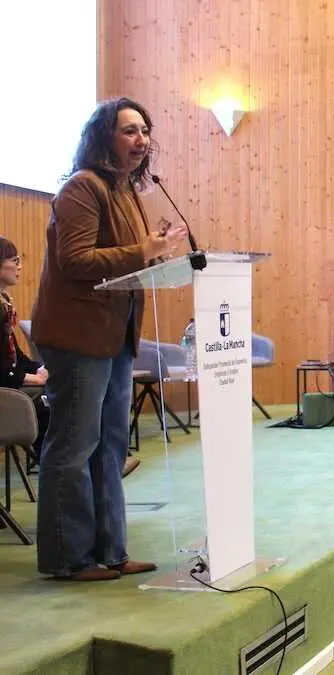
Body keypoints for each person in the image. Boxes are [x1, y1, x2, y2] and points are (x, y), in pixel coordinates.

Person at [31, 97, 188, 581]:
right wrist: (143, 249)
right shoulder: (82, 188)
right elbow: (76, 260)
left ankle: (111, 552)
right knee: (74, 447)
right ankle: (68, 558)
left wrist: (154, 254)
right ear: (104, 137)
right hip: (78, 337)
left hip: (115, 337)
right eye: (129, 131)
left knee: (110, 448)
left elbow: (123, 258)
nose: (141, 140)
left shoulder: (127, 193)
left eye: (145, 130)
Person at [0, 238, 49, 461]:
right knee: (50, 408)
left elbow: (14, 355)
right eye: (14, 260)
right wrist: (34, 378)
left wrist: (39, 368)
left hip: (8, 383)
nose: (20, 266)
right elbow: (3, 370)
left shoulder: (4, 302)